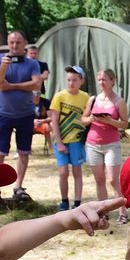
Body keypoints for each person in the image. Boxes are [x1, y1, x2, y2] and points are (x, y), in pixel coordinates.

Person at [0, 30, 46, 202]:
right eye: (11, 42)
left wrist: (12, 86)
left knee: (23, 152)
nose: (14, 46)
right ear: (8, 43)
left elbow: (36, 83)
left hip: (26, 114)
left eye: (18, 42)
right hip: (4, 114)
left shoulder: (32, 64)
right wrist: (5, 66)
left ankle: (18, 186)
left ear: (25, 44)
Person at [83, 68, 130, 226]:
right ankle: (103, 212)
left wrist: (109, 121)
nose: (101, 82)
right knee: (100, 179)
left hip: (111, 144)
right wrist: (91, 119)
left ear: (112, 81)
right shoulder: (93, 99)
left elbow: (125, 123)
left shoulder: (118, 101)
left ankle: (123, 212)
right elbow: (83, 119)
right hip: (92, 143)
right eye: (99, 79)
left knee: (112, 180)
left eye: (104, 79)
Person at [49, 65, 90, 212]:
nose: (71, 83)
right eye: (68, 80)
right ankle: (64, 201)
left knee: (77, 171)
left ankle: (77, 202)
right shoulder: (59, 96)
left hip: (76, 141)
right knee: (63, 172)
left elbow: (87, 117)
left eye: (74, 80)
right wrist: (59, 142)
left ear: (81, 81)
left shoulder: (85, 97)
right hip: (61, 140)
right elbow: (54, 120)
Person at [27, 44, 50, 120]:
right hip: (27, 92)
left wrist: (31, 76)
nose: (33, 55)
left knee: (42, 109)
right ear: (27, 54)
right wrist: (40, 77)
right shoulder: (24, 65)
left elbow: (46, 76)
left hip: (41, 92)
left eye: (35, 53)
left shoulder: (43, 64)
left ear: (38, 54)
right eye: (31, 53)